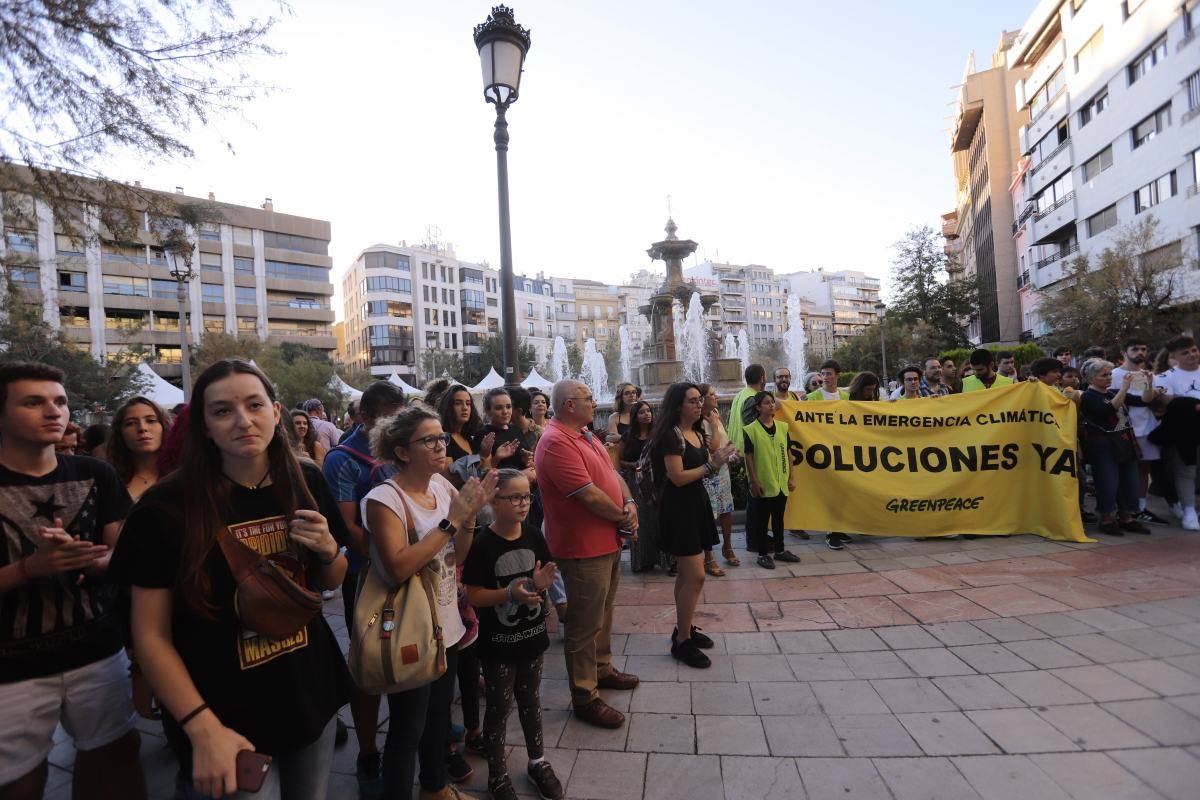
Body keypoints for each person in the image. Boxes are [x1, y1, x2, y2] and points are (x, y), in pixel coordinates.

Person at [116, 359, 349, 800]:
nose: (243, 420)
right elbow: (149, 635)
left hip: (307, 691)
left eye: (254, 405)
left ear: (276, 412)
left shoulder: (306, 479)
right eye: (223, 410)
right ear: (203, 426)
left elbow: (332, 578)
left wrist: (326, 549)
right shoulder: (165, 507)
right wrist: (201, 728)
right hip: (223, 709)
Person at [0, 362, 146, 800]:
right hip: (11, 668)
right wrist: (28, 568)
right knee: (20, 782)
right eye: (33, 402)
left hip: (96, 650)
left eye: (60, 402)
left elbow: (122, 549)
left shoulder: (95, 474)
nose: (54, 411)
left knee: (115, 762)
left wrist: (102, 562)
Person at [360, 407, 496, 800]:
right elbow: (398, 567)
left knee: (438, 718)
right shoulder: (384, 499)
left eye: (441, 438)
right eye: (430, 440)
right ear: (402, 452)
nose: (441, 446)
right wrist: (453, 520)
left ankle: (435, 788)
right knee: (407, 728)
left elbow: (461, 553)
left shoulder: (441, 485)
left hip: (446, 623)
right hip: (410, 627)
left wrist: (469, 517)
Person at [535, 380, 640, 728]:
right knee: (583, 624)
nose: (595, 402)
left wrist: (629, 502)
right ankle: (585, 695)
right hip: (582, 548)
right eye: (588, 398)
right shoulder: (554, 442)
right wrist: (623, 517)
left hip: (607, 541)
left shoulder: (585, 434)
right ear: (568, 405)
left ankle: (602, 668)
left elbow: (611, 475)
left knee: (603, 613)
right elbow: (588, 495)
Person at [321, 380, 406, 798]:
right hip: (365, 576)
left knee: (413, 645)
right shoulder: (342, 460)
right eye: (390, 418)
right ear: (367, 417)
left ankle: (413, 733)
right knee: (368, 661)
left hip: (408, 568)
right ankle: (369, 750)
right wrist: (395, 553)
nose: (396, 426)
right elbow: (347, 529)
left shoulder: (397, 449)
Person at [462, 470, 564, 800]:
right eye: (514, 497)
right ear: (494, 501)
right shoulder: (483, 544)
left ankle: (538, 761)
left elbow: (542, 577)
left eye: (527, 496)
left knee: (531, 702)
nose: (523, 503)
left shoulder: (534, 536)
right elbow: (474, 594)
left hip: (532, 637)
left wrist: (540, 583)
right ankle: (497, 774)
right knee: (498, 709)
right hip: (499, 646)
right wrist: (510, 593)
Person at [650, 383, 738, 668]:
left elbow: (710, 456)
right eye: (692, 401)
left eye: (700, 400)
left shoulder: (697, 431)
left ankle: (683, 629)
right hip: (679, 509)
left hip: (695, 504)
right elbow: (677, 477)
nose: (699, 404)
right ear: (677, 406)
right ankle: (682, 643)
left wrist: (720, 454)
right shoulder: (669, 435)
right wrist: (712, 465)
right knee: (697, 577)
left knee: (686, 577)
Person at [1080, 359, 1152, 536]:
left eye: (1110, 374)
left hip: (1123, 441)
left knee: (1129, 480)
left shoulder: (1113, 392)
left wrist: (1149, 384)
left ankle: (1127, 517)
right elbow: (1109, 410)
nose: (1108, 378)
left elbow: (1144, 400)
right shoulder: (1089, 396)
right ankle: (1107, 519)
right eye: (1103, 375)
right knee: (1108, 481)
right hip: (1103, 445)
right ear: (1090, 379)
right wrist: (1125, 388)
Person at [1111, 338, 1169, 526]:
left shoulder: (1150, 375)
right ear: (1124, 352)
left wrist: (1157, 393)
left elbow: (1151, 401)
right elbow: (1116, 401)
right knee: (1124, 470)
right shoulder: (1114, 374)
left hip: (1147, 428)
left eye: (1143, 349)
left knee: (1144, 470)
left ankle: (1140, 508)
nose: (1140, 353)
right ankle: (1121, 508)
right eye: (1135, 349)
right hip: (1123, 430)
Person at [742, 391, 800, 570]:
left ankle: (780, 550)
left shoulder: (782, 427)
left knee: (778, 519)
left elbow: (789, 452)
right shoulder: (751, 430)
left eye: (772, 402)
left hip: (781, 483)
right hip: (764, 483)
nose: (771, 405)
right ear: (758, 407)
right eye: (767, 403)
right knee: (762, 521)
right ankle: (762, 554)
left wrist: (791, 476)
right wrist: (754, 480)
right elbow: (749, 457)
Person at [618, 401, 671, 573]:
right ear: (635, 416)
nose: (647, 414)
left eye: (648, 411)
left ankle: (666, 560)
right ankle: (642, 561)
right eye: (642, 412)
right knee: (641, 519)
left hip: (657, 480)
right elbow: (619, 461)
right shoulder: (627, 437)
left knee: (659, 519)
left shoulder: (659, 434)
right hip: (636, 482)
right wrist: (633, 465)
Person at [1154, 335, 1200, 530]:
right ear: (1174, 356)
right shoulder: (1165, 378)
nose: (1192, 355)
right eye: (1186, 352)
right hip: (1185, 432)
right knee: (1186, 471)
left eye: (1194, 350)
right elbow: (1170, 403)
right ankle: (1189, 511)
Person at [699, 383, 742, 563]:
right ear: (703, 399)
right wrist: (715, 426)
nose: (716, 397)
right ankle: (708, 556)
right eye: (712, 394)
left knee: (726, 511)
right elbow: (713, 447)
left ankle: (728, 547)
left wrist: (732, 452)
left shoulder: (714, 416)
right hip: (709, 474)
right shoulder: (700, 422)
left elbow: (724, 443)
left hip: (722, 471)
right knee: (708, 514)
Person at [108, 395, 169, 501]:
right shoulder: (109, 480)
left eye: (151, 421)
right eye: (130, 423)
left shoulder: (185, 475)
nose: (142, 428)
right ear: (120, 433)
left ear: (164, 426)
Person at [439, 384, 486, 488]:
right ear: (448, 407)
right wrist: (482, 456)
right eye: (458, 403)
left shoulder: (469, 438)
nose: (465, 408)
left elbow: (483, 472)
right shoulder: (444, 439)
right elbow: (448, 479)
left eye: (468, 403)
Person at [476, 388, 530, 474]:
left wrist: (527, 460)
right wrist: (497, 458)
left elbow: (527, 463)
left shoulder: (516, 429)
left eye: (508, 407)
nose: (505, 411)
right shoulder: (483, 435)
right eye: (498, 408)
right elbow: (481, 473)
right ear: (488, 411)